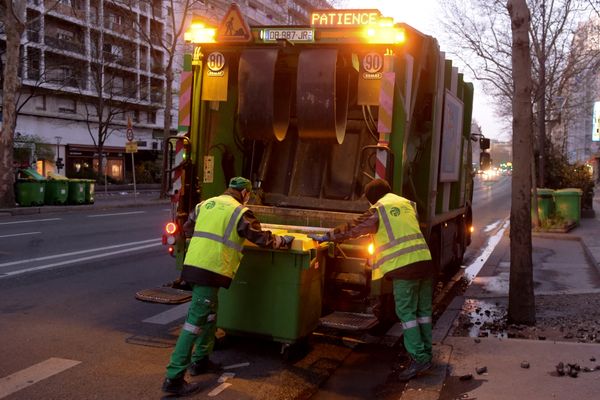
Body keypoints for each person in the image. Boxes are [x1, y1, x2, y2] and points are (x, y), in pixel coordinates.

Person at [162, 177, 294, 396]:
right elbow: (261, 238)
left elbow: (188, 228)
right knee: (193, 323)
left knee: (210, 314)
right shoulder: (241, 212)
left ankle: (201, 360)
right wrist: (283, 241)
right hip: (211, 269)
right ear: (245, 194)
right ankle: (173, 377)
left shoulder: (204, 204)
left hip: (193, 265)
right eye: (249, 195)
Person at [308, 178, 434, 382]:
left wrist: (328, 236)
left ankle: (418, 358)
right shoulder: (407, 204)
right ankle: (426, 354)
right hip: (425, 264)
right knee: (423, 312)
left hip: (404, 269)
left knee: (407, 314)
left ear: (372, 198)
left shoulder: (379, 209)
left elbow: (353, 228)